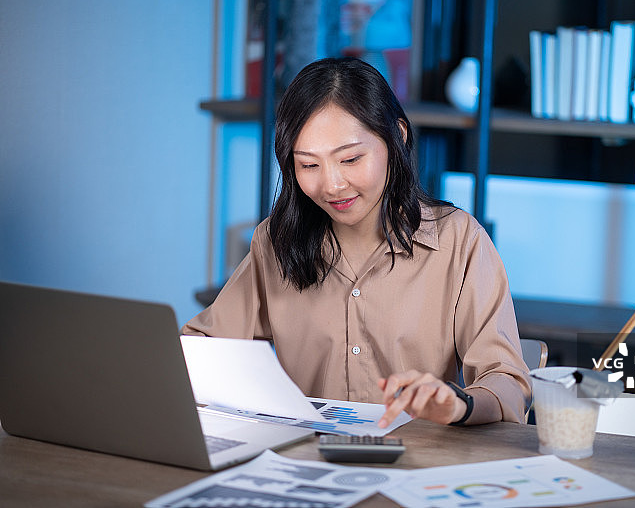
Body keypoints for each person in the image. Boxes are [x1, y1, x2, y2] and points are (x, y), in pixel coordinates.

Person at [183, 57, 532, 428]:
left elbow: (506, 380)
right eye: (309, 165)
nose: (332, 185)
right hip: (306, 461)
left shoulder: (459, 241)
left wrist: (459, 404)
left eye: (349, 159)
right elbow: (201, 350)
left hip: (418, 462)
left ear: (397, 136)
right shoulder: (277, 241)